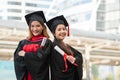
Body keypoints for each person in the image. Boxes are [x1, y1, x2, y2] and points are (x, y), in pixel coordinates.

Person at [14, 11, 52, 80]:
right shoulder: (23, 42)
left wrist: (26, 54)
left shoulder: (46, 42)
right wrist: (35, 53)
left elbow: (42, 58)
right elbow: (17, 58)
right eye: (32, 26)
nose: (35, 29)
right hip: (26, 77)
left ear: (43, 27)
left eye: (38, 26)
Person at [46, 15, 83, 80]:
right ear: (54, 33)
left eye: (64, 29)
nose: (62, 31)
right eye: (59, 30)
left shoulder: (67, 46)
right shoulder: (52, 46)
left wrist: (74, 59)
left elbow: (79, 56)